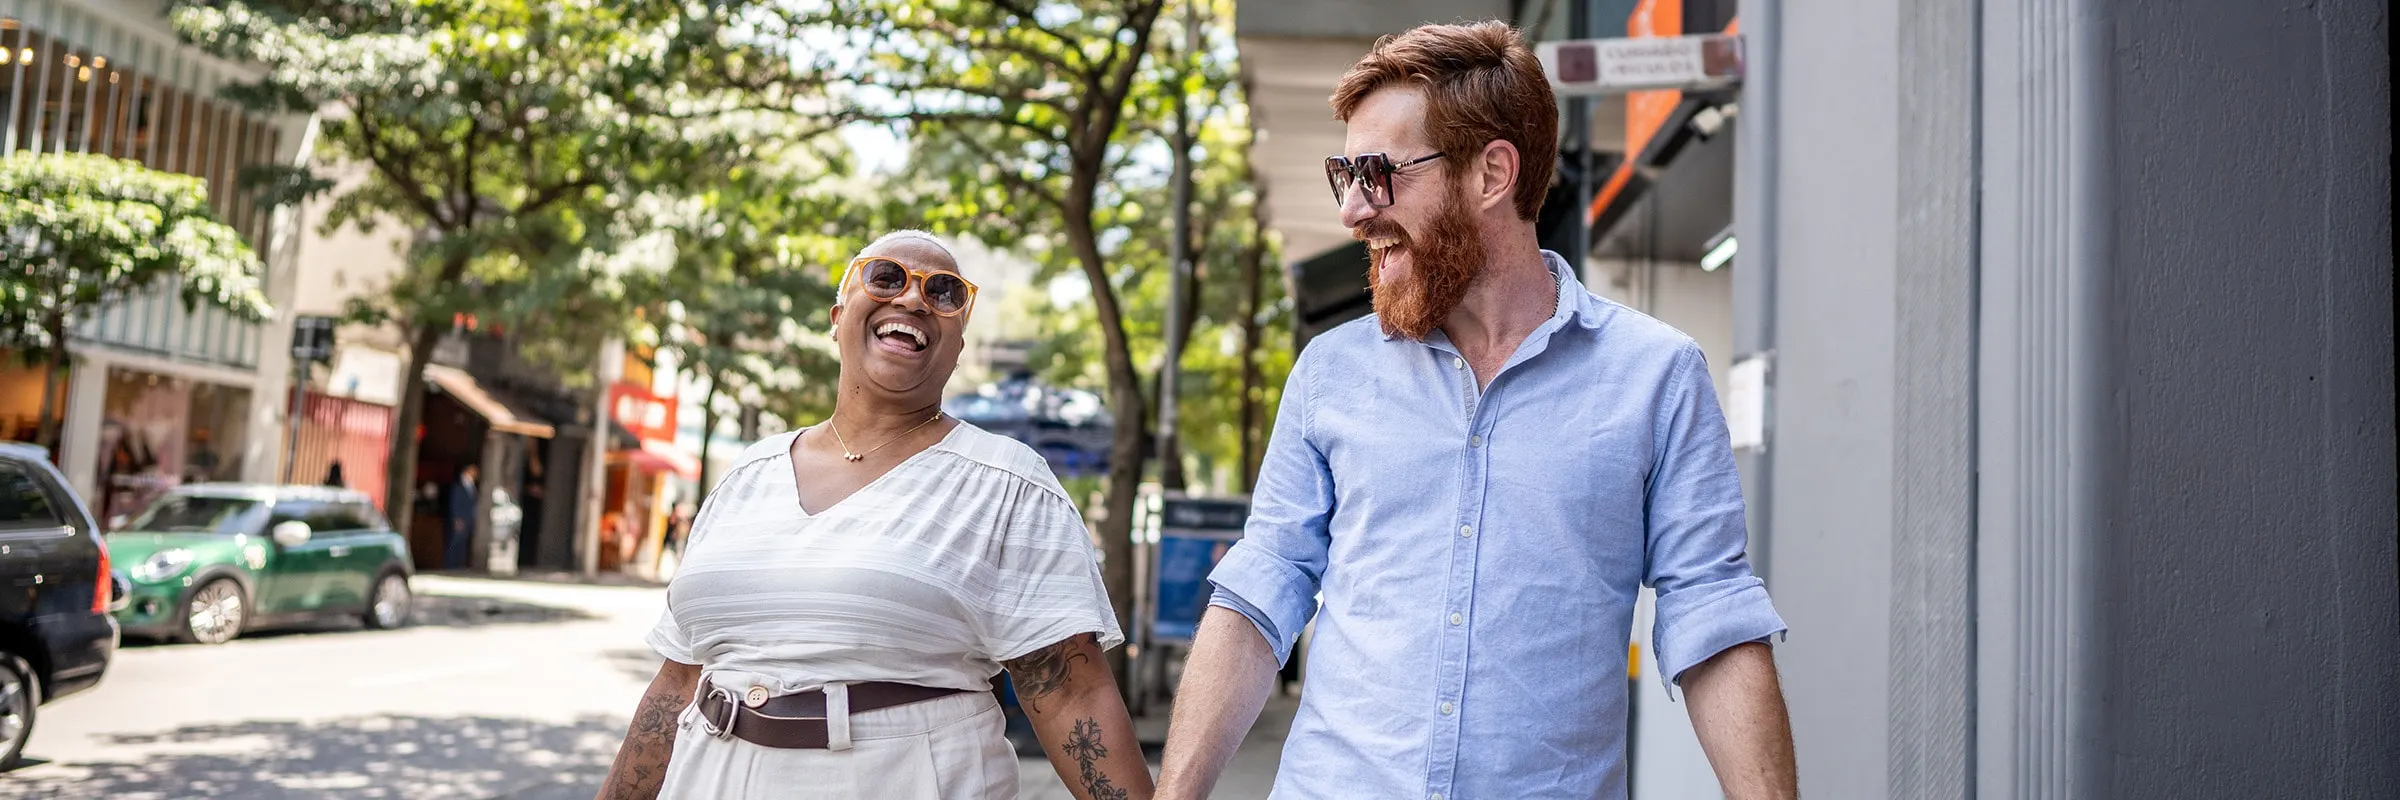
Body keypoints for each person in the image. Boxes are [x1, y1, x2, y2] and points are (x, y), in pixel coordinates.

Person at [1156, 22, 1798, 800]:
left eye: (1376, 173)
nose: (1354, 212)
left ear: (1492, 172)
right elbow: (1261, 594)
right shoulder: (1331, 372)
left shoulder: (1656, 377)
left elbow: (1713, 618)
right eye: (1343, 176)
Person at [596, 231, 1152, 800]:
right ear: (838, 318)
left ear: (958, 345)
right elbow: (678, 682)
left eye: (944, 293)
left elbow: (1068, 693)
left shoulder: (1007, 482)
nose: (913, 300)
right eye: (886, 278)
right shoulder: (748, 475)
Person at [444, 463, 478, 570]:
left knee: (463, 545)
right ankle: (450, 565)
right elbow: (455, 503)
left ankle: (459, 565)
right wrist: (457, 519)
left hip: (468, 520)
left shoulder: (471, 486)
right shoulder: (459, 486)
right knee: (455, 543)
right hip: (460, 520)